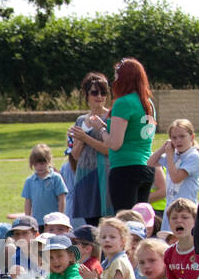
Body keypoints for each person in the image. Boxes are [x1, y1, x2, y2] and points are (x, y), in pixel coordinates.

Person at [95, 57, 158, 211]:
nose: (114, 80)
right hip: (146, 168)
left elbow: (115, 143)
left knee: (126, 221)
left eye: (117, 76)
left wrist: (100, 128)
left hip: (125, 168)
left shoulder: (123, 102)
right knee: (140, 220)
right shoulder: (148, 103)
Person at [67, 72, 113, 225]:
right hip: (85, 175)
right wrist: (81, 138)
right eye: (94, 92)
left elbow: (108, 149)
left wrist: (86, 137)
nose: (99, 96)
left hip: (105, 175)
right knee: (90, 224)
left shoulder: (111, 117)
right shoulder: (80, 120)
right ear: (86, 95)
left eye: (103, 92)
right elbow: (75, 154)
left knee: (106, 221)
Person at [149, 119, 199, 209]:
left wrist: (169, 156)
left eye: (182, 136)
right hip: (171, 207)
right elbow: (150, 163)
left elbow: (176, 178)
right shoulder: (174, 154)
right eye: (174, 138)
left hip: (186, 208)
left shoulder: (193, 156)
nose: (178, 140)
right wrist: (163, 148)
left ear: (192, 137)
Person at [22, 144, 68, 222]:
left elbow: (61, 199)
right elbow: (28, 202)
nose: (39, 167)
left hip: (53, 221)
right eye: (35, 164)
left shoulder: (56, 178)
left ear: (48, 161)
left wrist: (60, 217)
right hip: (37, 220)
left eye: (42, 164)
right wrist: (28, 219)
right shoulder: (29, 181)